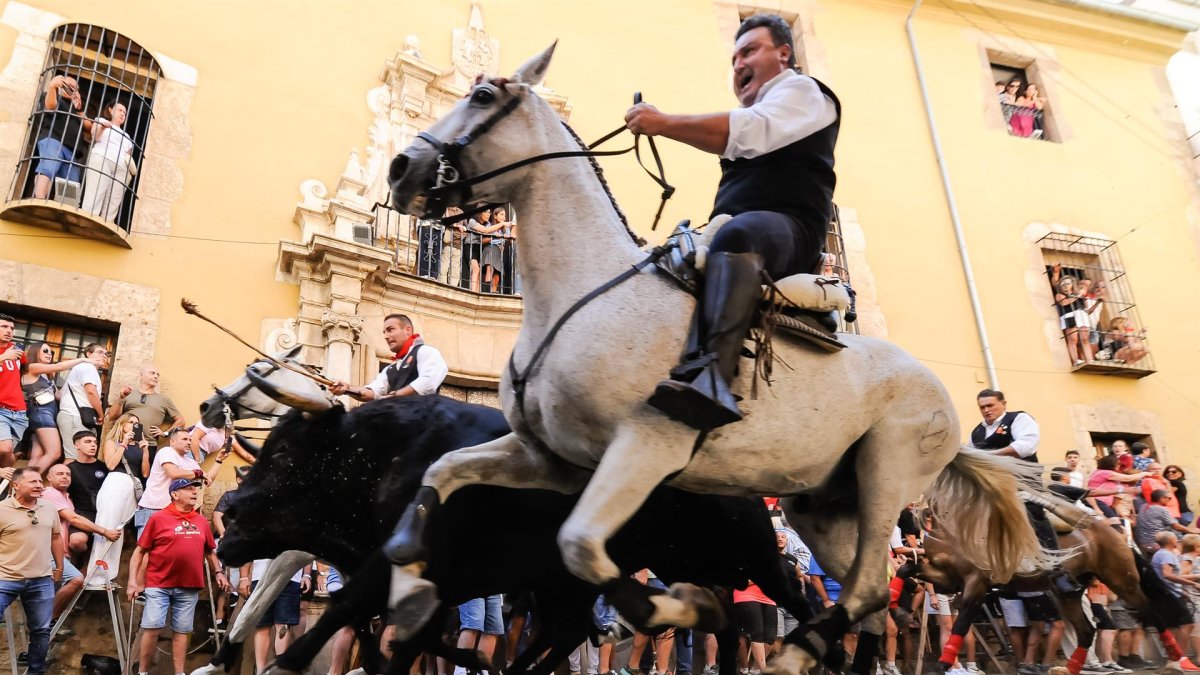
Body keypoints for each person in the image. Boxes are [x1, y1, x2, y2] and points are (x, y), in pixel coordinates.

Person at [625, 13, 840, 430]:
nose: (739, 64)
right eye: (734, 58)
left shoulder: (803, 91)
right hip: (744, 229)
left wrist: (663, 123)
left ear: (784, 53)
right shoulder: (759, 110)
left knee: (739, 233)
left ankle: (712, 379)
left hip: (791, 231)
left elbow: (748, 130)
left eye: (750, 51)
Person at [127, 478, 229, 675]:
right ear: (174, 494)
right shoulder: (158, 518)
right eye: (188, 489)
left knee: (182, 631)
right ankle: (143, 672)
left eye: (195, 489)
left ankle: (180, 673)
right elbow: (139, 552)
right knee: (152, 627)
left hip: (189, 586)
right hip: (159, 584)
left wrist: (218, 572)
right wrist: (132, 581)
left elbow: (210, 551)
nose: (194, 492)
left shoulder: (200, 520)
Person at [0, 467, 64, 675]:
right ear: (16, 485)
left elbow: (56, 537)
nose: (39, 485)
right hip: (5, 578)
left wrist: (59, 566)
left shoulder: (49, 507)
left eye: (39, 481)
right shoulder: (2, 509)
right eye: (33, 482)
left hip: (41, 579)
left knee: (40, 630)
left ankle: (35, 672)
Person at [41, 463, 117, 615]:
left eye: (68, 474)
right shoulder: (49, 492)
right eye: (60, 474)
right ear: (49, 478)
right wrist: (104, 531)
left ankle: (46, 627)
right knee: (76, 579)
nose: (65, 477)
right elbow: (73, 518)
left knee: (52, 594)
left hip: (61, 554)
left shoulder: (67, 497)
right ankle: (49, 620)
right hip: (49, 553)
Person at [85, 412, 150, 588]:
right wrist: (124, 444)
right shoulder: (111, 442)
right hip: (116, 482)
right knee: (107, 525)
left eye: (137, 423)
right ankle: (94, 576)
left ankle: (108, 575)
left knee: (118, 531)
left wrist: (145, 452)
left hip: (132, 486)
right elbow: (111, 464)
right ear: (122, 425)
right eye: (131, 422)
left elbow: (145, 473)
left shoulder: (139, 446)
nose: (134, 426)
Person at [20, 341, 104, 470]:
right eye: (45, 351)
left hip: (50, 413)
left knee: (37, 455)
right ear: (35, 352)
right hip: (40, 413)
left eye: (51, 352)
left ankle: (19, 486)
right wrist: (83, 360)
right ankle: (29, 482)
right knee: (54, 453)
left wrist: (76, 386)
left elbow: (59, 396)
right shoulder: (32, 367)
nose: (49, 354)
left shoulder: (47, 375)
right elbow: (59, 366)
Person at [330, 314, 448, 401]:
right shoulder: (391, 369)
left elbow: (428, 382)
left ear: (408, 330)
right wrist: (347, 389)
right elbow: (373, 392)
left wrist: (395, 396)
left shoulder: (426, 352)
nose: (386, 336)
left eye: (390, 330)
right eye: (384, 332)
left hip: (424, 424)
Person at [31, 75, 107, 200]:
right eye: (69, 86)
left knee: (71, 182)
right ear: (61, 84)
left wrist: (79, 109)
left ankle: (63, 211)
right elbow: (50, 106)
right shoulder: (53, 95)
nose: (73, 90)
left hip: (71, 150)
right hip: (53, 139)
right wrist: (52, 87)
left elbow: (89, 126)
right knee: (48, 168)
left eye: (75, 89)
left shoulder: (76, 110)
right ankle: (39, 198)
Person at [238, 557, 312, 674]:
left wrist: (307, 575)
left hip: (291, 576)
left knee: (283, 625)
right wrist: (243, 577)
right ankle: (260, 671)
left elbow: (306, 548)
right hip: (261, 576)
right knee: (262, 626)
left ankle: (280, 669)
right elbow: (248, 546)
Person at [134, 428, 207, 538]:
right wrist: (197, 473)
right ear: (172, 441)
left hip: (174, 511)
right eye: (184, 439)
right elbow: (172, 473)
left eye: (190, 440)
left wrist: (218, 461)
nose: (189, 442)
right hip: (154, 509)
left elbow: (207, 480)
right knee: (145, 550)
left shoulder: (190, 461)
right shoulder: (166, 451)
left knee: (166, 550)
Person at [80, 98, 135, 221]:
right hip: (102, 158)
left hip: (121, 169)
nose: (122, 114)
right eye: (120, 110)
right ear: (110, 110)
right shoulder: (101, 121)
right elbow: (95, 135)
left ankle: (107, 223)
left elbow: (128, 155)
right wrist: (103, 127)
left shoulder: (127, 137)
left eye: (124, 113)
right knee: (95, 193)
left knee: (113, 201)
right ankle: (88, 219)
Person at [104, 364, 185, 448]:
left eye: (157, 374)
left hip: (149, 444)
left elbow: (181, 420)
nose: (156, 376)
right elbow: (112, 417)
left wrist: (165, 433)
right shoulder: (128, 394)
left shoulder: (163, 399)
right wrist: (120, 398)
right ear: (141, 375)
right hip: (125, 442)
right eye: (152, 373)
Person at [56, 342, 109, 460]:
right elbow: (91, 392)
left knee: (77, 457)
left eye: (106, 354)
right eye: (100, 352)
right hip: (76, 417)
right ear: (88, 354)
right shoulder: (88, 367)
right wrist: (101, 415)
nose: (104, 356)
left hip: (71, 415)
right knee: (74, 457)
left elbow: (59, 395)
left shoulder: (79, 368)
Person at [1, 314, 30, 469]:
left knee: (8, 455)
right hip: (1, 409)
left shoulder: (16, 350)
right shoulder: (8, 353)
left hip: (19, 412)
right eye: (4, 327)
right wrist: (4, 357)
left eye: (11, 328)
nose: (9, 331)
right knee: (5, 449)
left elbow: (25, 371)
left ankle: (4, 489)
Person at [1135, 490, 1199, 555]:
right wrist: (1191, 532)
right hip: (1155, 543)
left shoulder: (1143, 506)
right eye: (1169, 498)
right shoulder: (1160, 509)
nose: (1169, 500)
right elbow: (1176, 526)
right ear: (1162, 498)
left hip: (1143, 543)